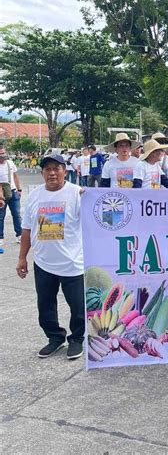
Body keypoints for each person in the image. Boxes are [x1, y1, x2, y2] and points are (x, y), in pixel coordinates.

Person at [16, 154, 85, 360]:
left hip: (73, 262)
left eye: (57, 168)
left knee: (78, 306)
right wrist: (22, 258)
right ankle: (55, 338)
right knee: (45, 305)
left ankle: (76, 339)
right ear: (42, 173)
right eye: (48, 169)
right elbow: (27, 229)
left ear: (65, 170)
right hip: (43, 262)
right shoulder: (35, 195)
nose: (52, 173)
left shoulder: (76, 193)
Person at [0, 145, 23, 247]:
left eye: (3, 153)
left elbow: (15, 176)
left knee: (17, 214)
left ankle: (19, 235)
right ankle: (0, 237)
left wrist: (19, 189)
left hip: (13, 192)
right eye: (0, 154)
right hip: (1, 193)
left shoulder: (10, 163)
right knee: (1, 216)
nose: (3, 155)